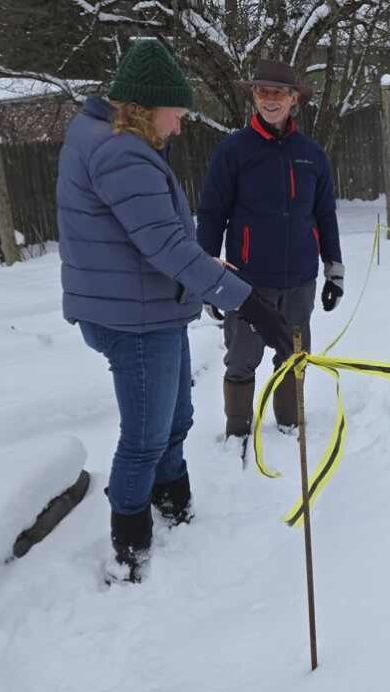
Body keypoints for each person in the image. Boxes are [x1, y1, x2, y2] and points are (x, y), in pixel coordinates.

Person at [56, 40, 292, 582]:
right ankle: (131, 547)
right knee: (145, 436)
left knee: (175, 420)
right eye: (178, 115)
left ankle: (173, 510)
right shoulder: (119, 152)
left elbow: (153, 238)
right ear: (148, 104)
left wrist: (212, 278)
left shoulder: (104, 137)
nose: (181, 127)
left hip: (144, 307)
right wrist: (248, 301)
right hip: (134, 318)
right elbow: (164, 247)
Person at [196, 59, 344, 462]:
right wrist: (206, 275)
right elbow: (211, 213)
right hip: (246, 282)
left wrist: (334, 268)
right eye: (262, 92)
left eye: (278, 92)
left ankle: (289, 425)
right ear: (254, 97)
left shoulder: (311, 154)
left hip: (299, 277)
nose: (269, 100)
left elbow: (325, 213)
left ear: (294, 99)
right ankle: (237, 432)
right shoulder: (233, 151)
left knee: (294, 355)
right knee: (242, 358)